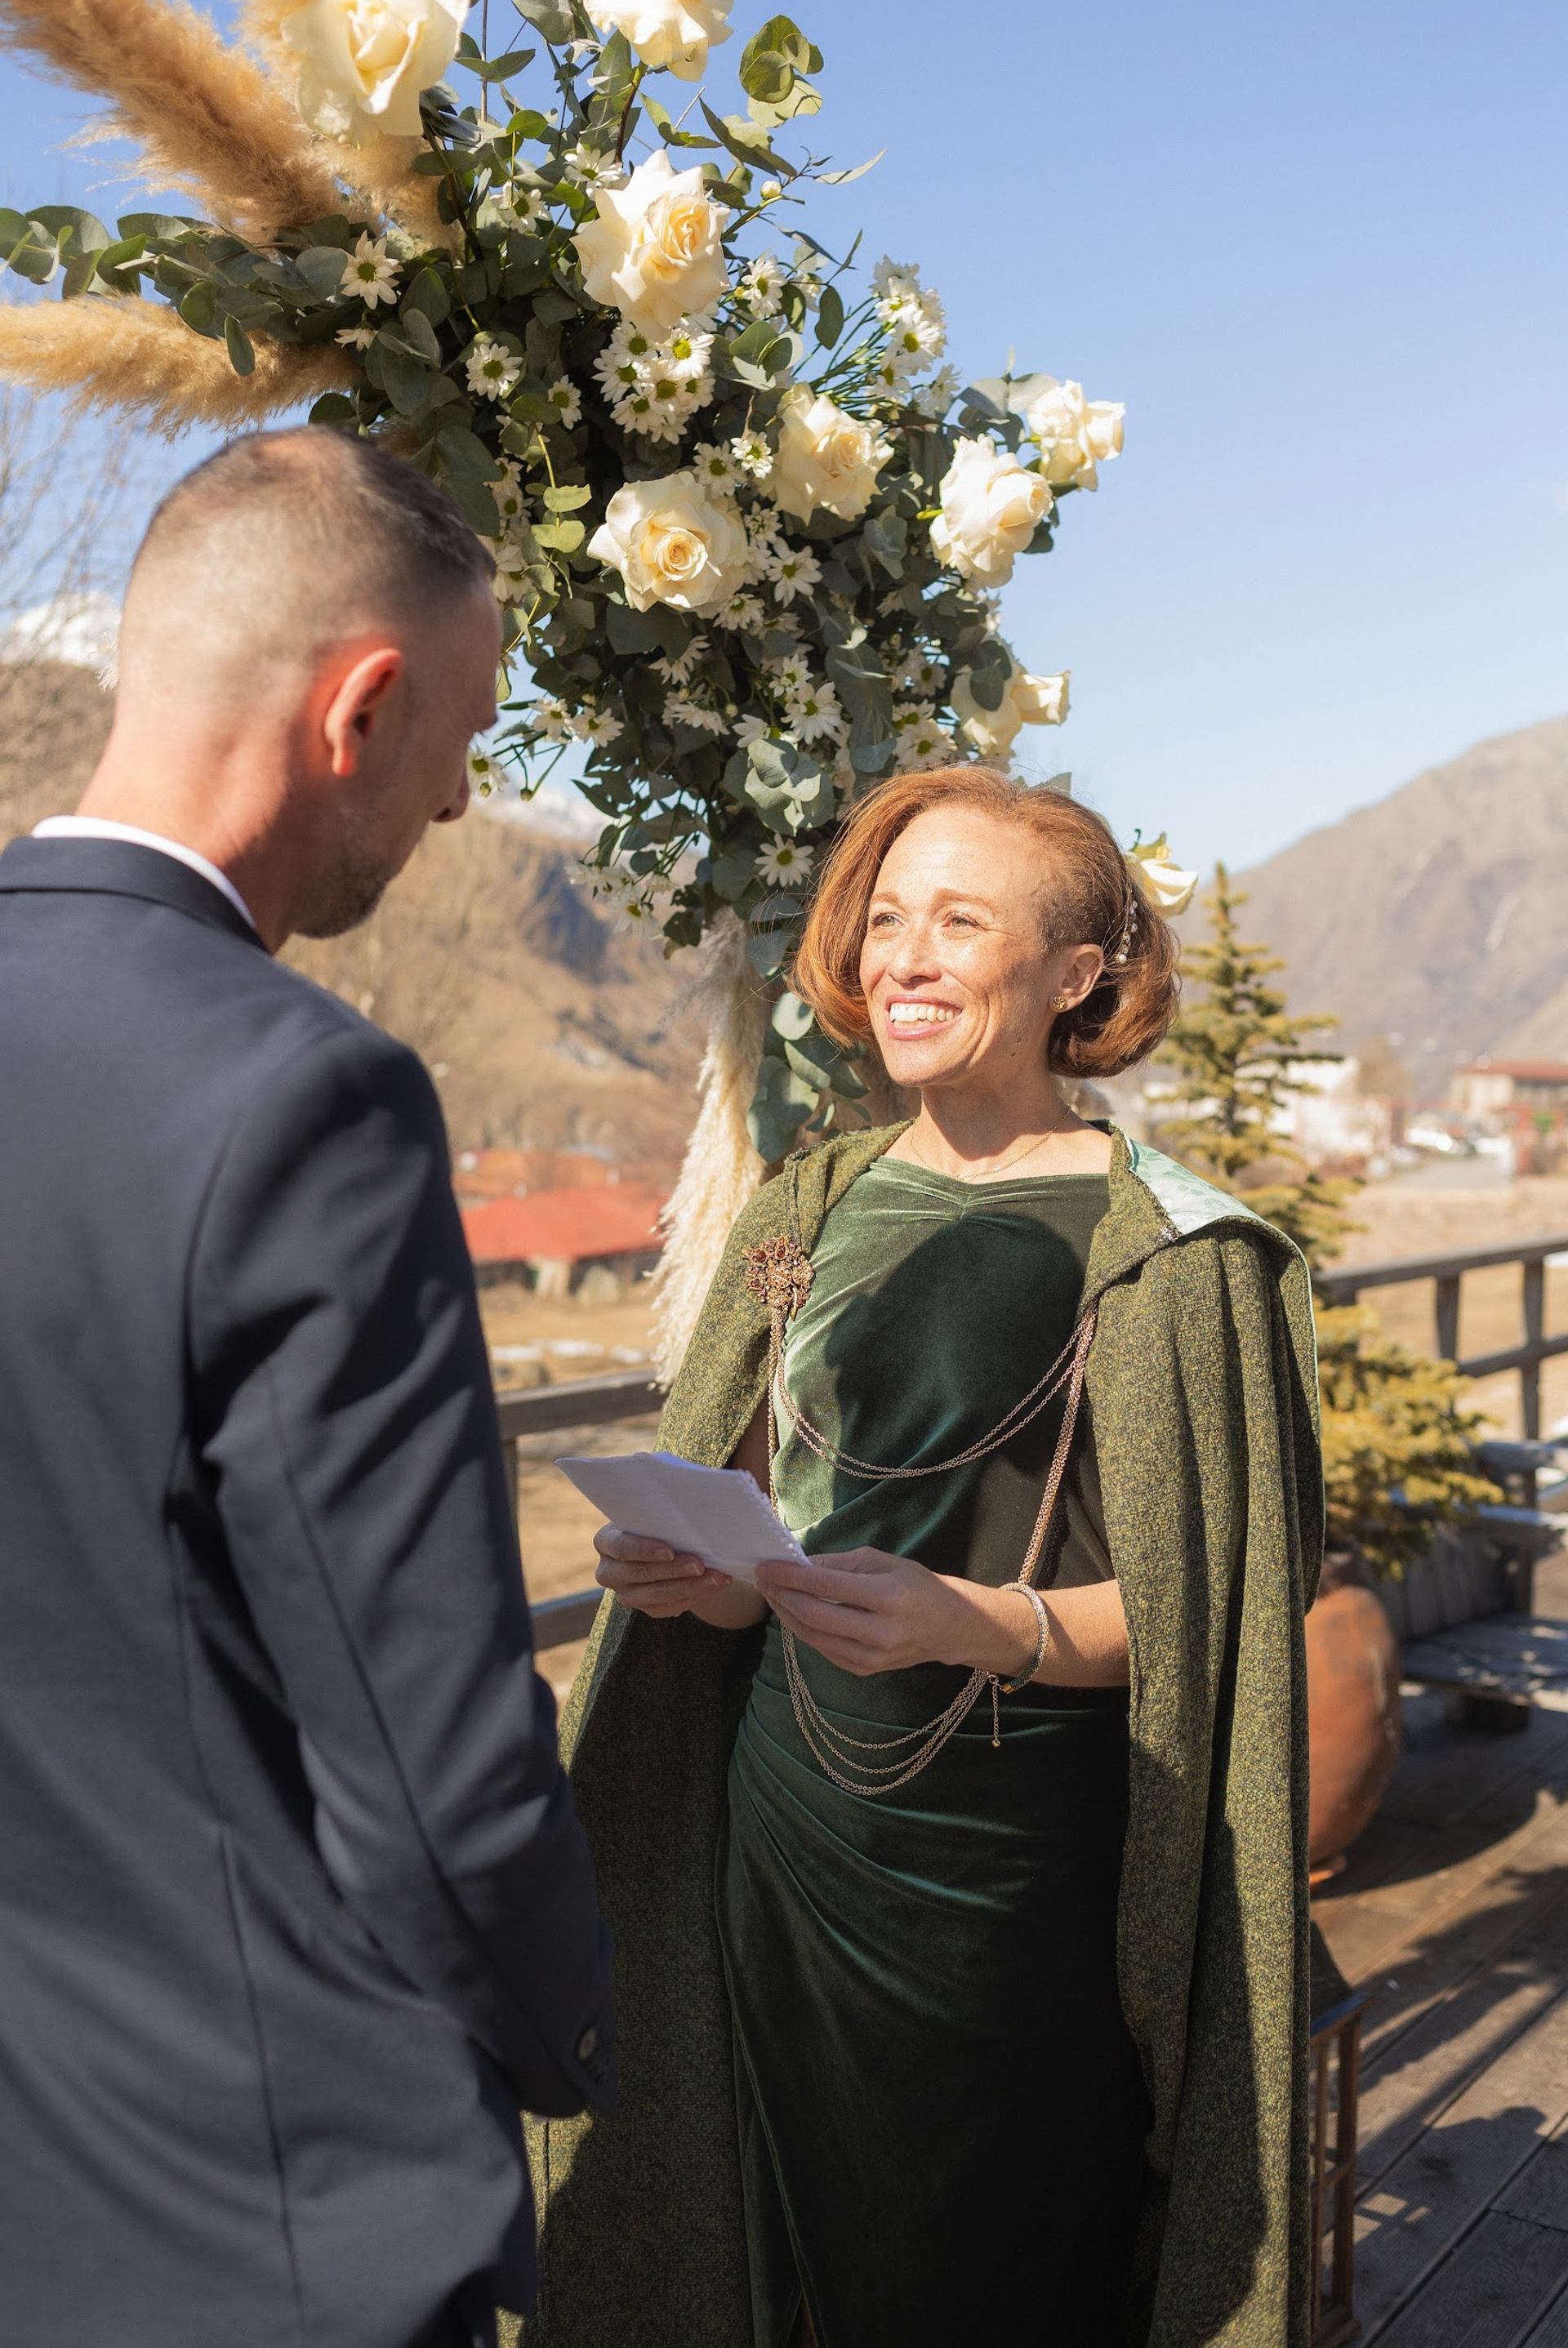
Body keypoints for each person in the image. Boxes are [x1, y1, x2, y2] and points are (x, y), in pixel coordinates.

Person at [527, 769, 1323, 2348]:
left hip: (1019, 1863)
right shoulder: (810, 1202)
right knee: (784, 2242)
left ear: (1078, 973)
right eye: (886, 919)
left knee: (1003, 2259)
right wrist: (718, 1576)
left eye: (961, 921)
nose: (903, 958)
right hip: (784, 1816)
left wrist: (980, 1621)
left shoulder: (1172, 1251)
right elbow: (779, 1506)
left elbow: (1218, 1623)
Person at [0, 430, 614, 2348]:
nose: (454, 809)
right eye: (465, 736)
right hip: (247, 2211)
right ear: (361, 704)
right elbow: (426, 1767)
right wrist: (587, 2031)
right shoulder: (300, 1102)